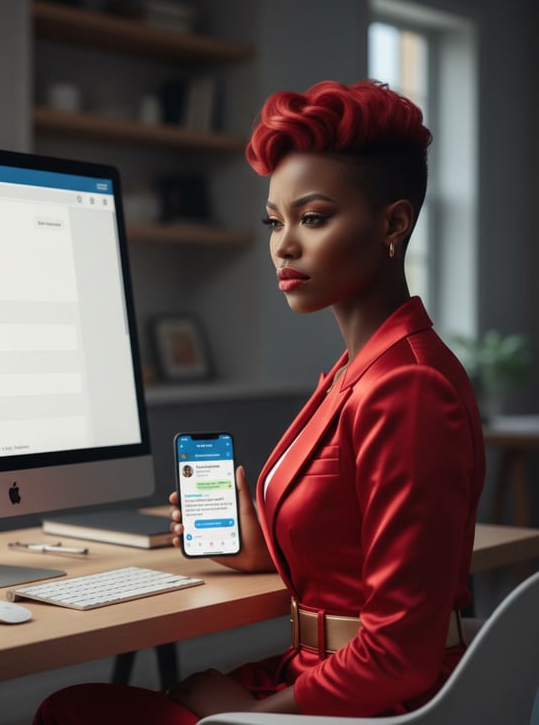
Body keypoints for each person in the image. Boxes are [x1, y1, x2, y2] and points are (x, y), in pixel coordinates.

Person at [31, 80, 485, 723]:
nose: (284, 244)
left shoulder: (408, 387)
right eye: (275, 221)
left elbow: (400, 652)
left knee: (72, 713)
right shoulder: (357, 369)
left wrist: (256, 716)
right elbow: (351, 546)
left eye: (314, 217)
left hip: (377, 705)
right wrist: (259, 548)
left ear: (394, 223)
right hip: (316, 673)